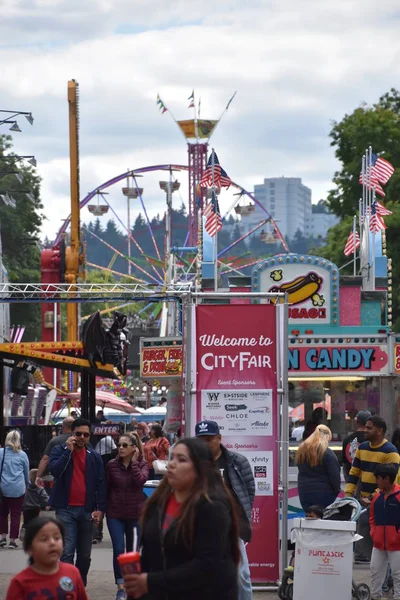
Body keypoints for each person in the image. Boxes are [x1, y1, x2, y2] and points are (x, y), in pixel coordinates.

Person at [123, 437, 239, 600]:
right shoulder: (157, 503)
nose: (172, 464)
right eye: (172, 458)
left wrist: (151, 582)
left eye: (181, 459)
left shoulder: (213, 507)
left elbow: (207, 565)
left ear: (200, 468)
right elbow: (151, 555)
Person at [195, 420, 255, 600]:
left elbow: (249, 490)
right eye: (201, 440)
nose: (205, 443)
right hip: (201, 527)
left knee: (240, 575)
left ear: (219, 438)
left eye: (209, 439)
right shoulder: (193, 463)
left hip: (231, 526)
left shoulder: (237, 461)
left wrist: (240, 516)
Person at [49, 417, 106, 586]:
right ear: (72, 433)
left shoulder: (94, 457)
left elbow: (101, 483)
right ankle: (67, 589)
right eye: (78, 434)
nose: (82, 437)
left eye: (86, 435)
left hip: (87, 510)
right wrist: (68, 451)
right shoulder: (59, 450)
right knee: (66, 552)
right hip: (65, 509)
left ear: (90, 436)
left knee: (84, 555)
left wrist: (100, 509)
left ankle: (79, 586)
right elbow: (55, 471)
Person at [345, 415, 400, 563]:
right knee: (363, 524)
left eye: (369, 428)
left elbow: (391, 480)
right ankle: (368, 557)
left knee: (368, 524)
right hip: (364, 499)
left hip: (382, 499)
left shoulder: (391, 452)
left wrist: (372, 498)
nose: (365, 430)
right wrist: (348, 494)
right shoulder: (362, 448)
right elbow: (354, 473)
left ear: (379, 431)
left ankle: (366, 556)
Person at [106, 432, 149, 600]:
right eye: (119, 445)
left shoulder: (143, 464)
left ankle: (133, 588)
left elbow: (140, 482)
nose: (121, 448)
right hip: (115, 513)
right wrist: (100, 509)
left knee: (133, 552)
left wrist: (134, 464)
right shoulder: (111, 465)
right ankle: (120, 587)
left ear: (134, 449)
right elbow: (106, 488)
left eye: (125, 445)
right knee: (118, 550)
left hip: (136, 514)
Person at [6, 515, 88, 600]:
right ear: (29, 548)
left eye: (57, 538)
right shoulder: (20, 583)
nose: (52, 543)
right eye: (44, 539)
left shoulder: (73, 573)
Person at [369, 463, 400, 600]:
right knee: (375, 571)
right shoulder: (376, 497)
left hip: (397, 545)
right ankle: (375, 597)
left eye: (378, 478)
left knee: (398, 575)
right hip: (378, 544)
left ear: (387, 478)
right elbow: (372, 517)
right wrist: (374, 533)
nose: (376, 481)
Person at [297, 424, 341, 511]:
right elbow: (334, 475)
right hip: (324, 494)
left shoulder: (301, 451)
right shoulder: (327, 453)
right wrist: (336, 490)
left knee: (309, 518)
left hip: (304, 492)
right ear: (327, 437)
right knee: (321, 520)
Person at [0, 429, 29, 548]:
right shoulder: (22, 454)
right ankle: (12, 540)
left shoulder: (1, 452)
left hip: (3, 488)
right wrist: (26, 485)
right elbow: (26, 472)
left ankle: (2, 538)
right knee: (16, 515)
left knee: (2, 514)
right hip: (18, 488)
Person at [35, 416, 75, 485]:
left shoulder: (54, 441)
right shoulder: (81, 441)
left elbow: (45, 459)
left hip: (59, 477)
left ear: (63, 427)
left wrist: (38, 476)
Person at [341, 410, 372, 481]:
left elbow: (345, 464)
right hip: (369, 481)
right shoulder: (373, 439)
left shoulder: (347, 440)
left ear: (356, 422)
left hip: (352, 480)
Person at [20, 469, 50, 539]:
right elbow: (45, 498)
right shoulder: (40, 488)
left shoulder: (26, 487)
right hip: (36, 508)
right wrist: (47, 504)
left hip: (26, 508)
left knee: (26, 521)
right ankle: (33, 536)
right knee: (35, 522)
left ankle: (24, 530)